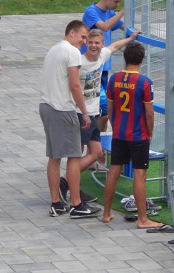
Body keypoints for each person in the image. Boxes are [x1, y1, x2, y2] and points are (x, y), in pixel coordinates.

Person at [59, 29, 141, 205]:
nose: (94, 46)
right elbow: (68, 84)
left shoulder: (103, 54)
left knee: (96, 153)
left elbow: (115, 46)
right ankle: (68, 183)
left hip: (94, 113)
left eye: (97, 43)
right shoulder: (78, 62)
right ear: (85, 43)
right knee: (77, 153)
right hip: (81, 114)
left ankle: (68, 182)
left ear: (102, 44)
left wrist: (131, 38)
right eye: (90, 42)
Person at [39, 19, 101, 218]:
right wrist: (84, 112)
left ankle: (56, 204)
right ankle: (76, 204)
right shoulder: (72, 51)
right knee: (74, 155)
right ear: (72, 32)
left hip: (46, 106)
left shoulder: (54, 49)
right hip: (62, 109)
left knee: (54, 156)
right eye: (83, 37)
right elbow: (75, 86)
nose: (84, 42)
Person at [102, 42, 163, 229]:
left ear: (125, 59)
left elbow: (110, 108)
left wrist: (116, 125)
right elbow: (150, 113)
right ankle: (142, 219)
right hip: (138, 136)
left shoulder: (114, 79)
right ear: (142, 60)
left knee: (114, 170)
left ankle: (106, 213)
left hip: (119, 133)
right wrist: (149, 133)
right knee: (140, 174)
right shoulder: (145, 83)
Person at [82, 0, 125, 138]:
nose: (117, 5)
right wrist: (123, 11)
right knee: (102, 108)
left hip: (104, 68)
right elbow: (105, 27)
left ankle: (97, 147)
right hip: (91, 69)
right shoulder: (91, 11)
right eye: (115, 2)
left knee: (103, 112)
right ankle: (95, 146)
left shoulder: (110, 13)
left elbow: (123, 27)